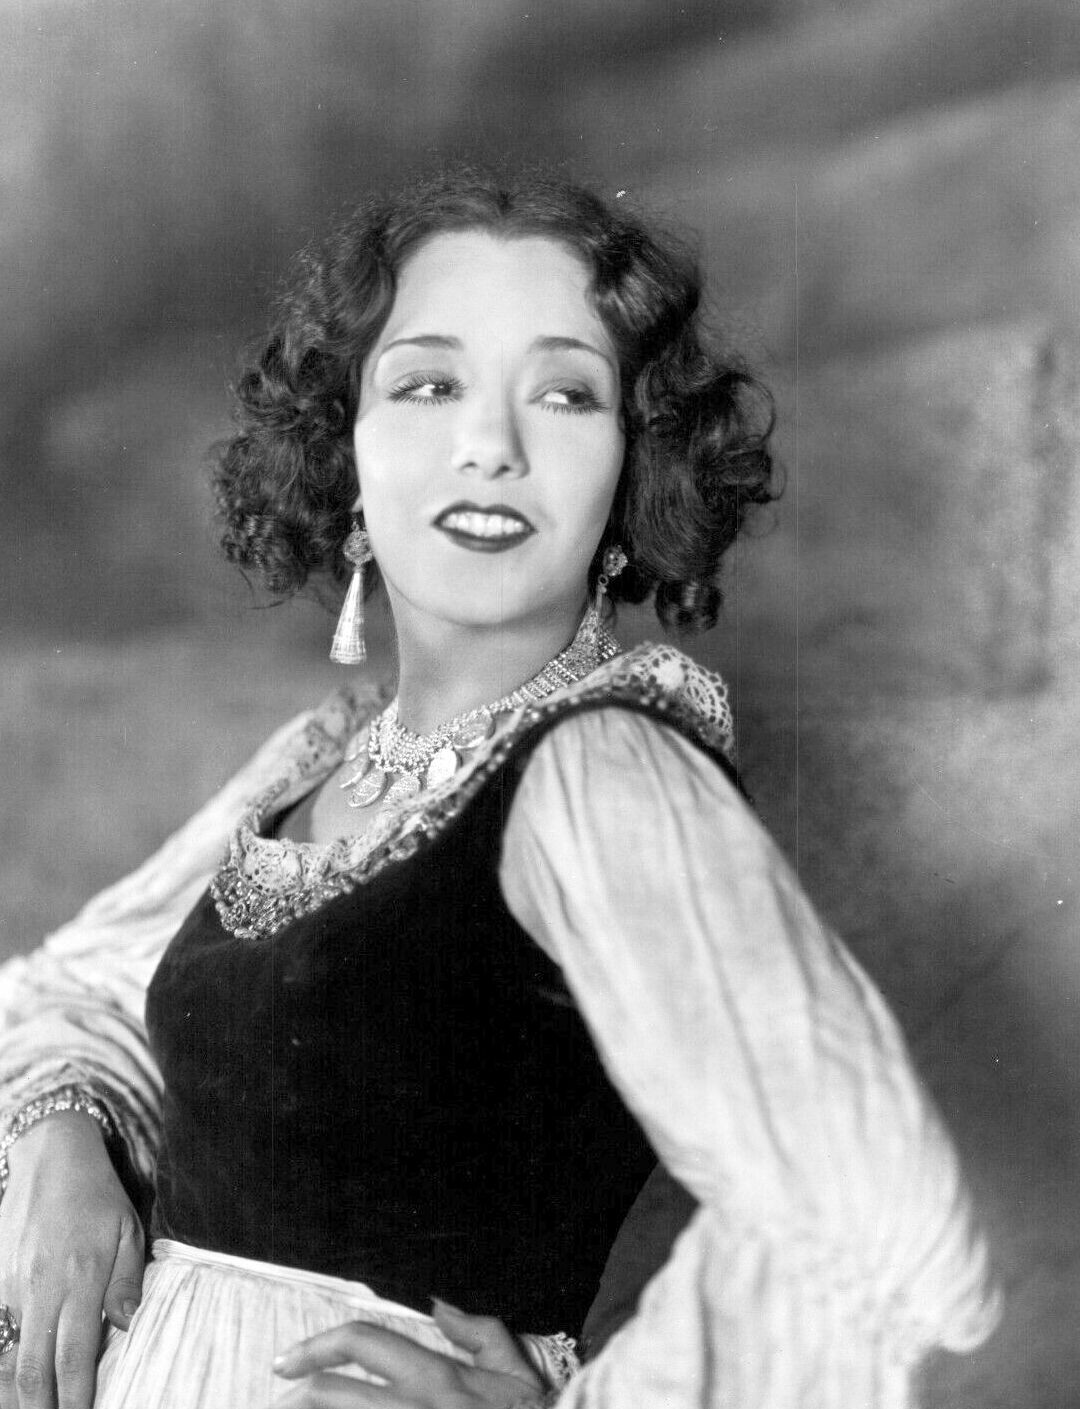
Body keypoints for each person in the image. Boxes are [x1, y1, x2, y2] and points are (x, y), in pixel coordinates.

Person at [0, 170, 999, 1409]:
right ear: (345, 453)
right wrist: (64, 1134)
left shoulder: (603, 770)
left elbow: (878, 1219)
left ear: (632, 470)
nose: (490, 446)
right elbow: (65, 990)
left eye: (565, 394)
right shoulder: (323, 756)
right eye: (429, 384)